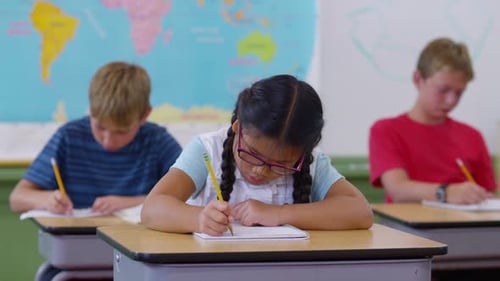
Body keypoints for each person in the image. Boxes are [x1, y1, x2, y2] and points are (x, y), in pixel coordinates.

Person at [141, 74, 374, 235]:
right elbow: (153, 209)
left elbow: (360, 212)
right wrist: (199, 218)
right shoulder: (207, 150)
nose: (260, 170)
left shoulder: (312, 163)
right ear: (238, 128)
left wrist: (280, 214)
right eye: (252, 154)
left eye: (281, 164)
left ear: (303, 154)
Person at [9, 61, 182, 215]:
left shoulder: (158, 142)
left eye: (122, 132)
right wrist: (47, 199)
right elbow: (17, 198)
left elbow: (192, 198)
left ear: (144, 115)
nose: (108, 141)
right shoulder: (69, 137)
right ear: (91, 110)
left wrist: (130, 203)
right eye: (100, 127)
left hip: (137, 245)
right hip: (76, 244)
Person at [369, 37, 497, 204]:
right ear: (417, 79)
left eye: (459, 93)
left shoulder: (472, 136)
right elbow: (398, 189)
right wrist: (447, 192)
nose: (451, 100)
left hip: (463, 228)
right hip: (406, 228)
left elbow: (487, 194)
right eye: (443, 90)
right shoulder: (386, 130)